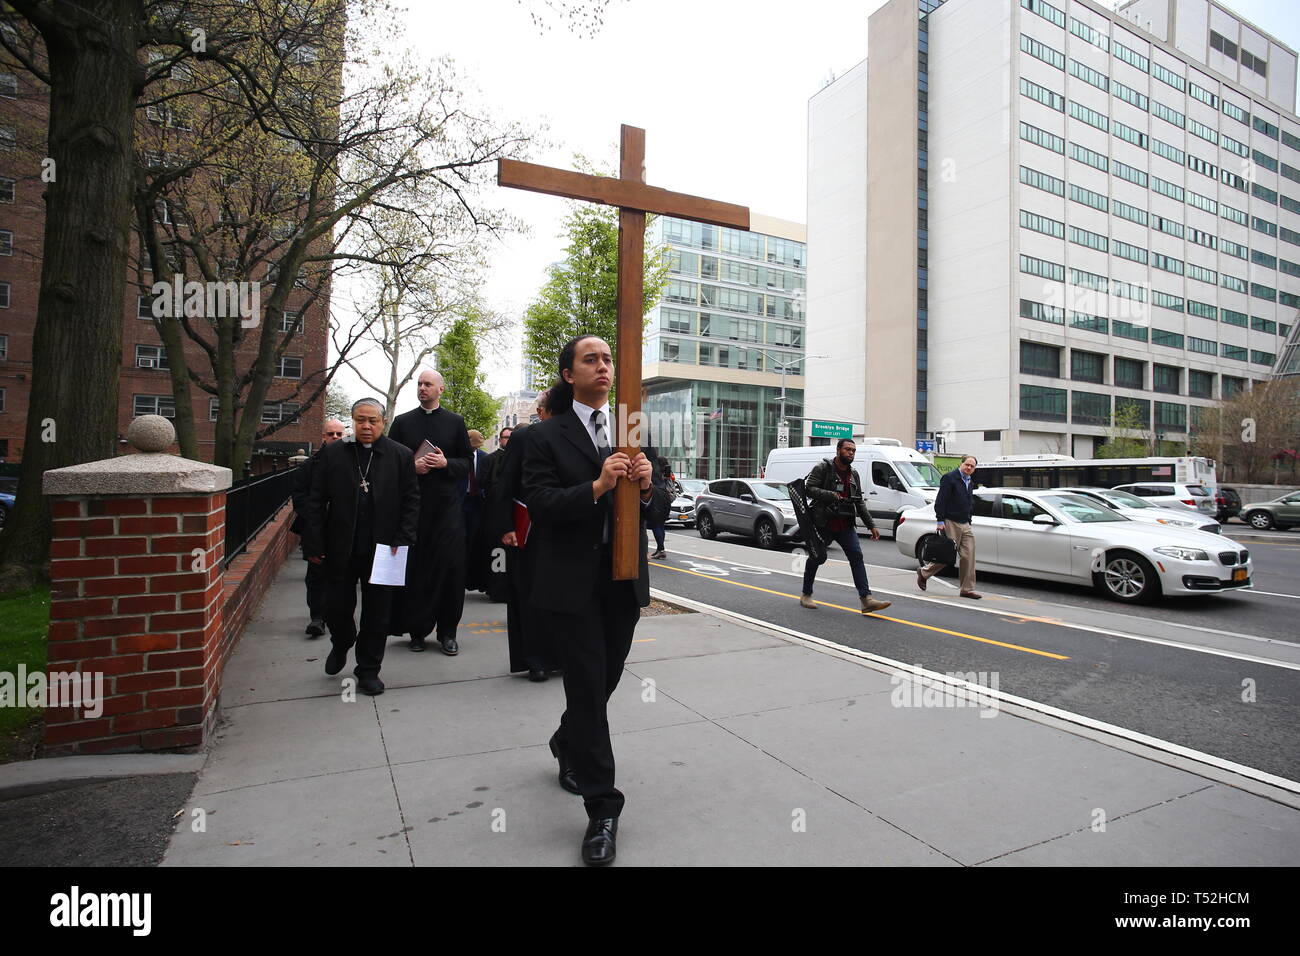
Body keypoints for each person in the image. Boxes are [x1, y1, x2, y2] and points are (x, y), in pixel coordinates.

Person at [522, 335, 669, 866]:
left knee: (602, 681)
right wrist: (596, 487)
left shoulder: (632, 429)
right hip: (571, 583)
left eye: (608, 358)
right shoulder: (545, 435)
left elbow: (660, 512)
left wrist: (650, 490)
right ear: (569, 374)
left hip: (622, 581)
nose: (604, 366)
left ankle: (566, 740)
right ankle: (603, 809)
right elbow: (539, 503)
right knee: (587, 685)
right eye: (591, 359)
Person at [301, 399, 420, 696]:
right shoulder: (333, 454)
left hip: (384, 548)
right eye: (360, 420)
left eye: (373, 421)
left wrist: (403, 538)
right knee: (336, 607)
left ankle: (368, 670)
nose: (366, 426)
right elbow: (314, 500)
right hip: (340, 545)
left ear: (383, 422)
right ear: (353, 421)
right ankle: (342, 641)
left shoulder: (400, 455)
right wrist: (313, 542)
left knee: (377, 613)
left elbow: (411, 501)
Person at [387, 369, 473, 654]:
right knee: (417, 571)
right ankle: (417, 631)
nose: (422, 388)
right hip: (413, 509)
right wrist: (411, 467)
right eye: (420, 384)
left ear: (441, 390)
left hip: (447, 510)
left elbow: (467, 466)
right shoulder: (402, 423)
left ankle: (448, 632)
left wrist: (445, 464)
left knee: (451, 569)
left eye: (428, 384)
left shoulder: (455, 422)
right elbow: (388, 464)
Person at [488, 391, 558, 681]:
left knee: (560, 596)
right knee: (528, 596)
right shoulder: (523, 437)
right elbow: (505, 483)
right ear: (540, 412)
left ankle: (560, 655)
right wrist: (506, 527)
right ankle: (535, 659)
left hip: (563, 528)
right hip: (527, 528)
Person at [799, 439, 892, 615]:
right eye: (848, 449)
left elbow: (859, 502)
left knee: (856, 557)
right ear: (838, 450)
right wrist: (831, 495)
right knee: (816, 557)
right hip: (824, 523)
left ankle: (866, 600)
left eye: (853, 450)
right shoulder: (823, 468)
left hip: (845, 524)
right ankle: (806, 594)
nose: (851, 453)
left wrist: (871, 525)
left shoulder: (854, 474)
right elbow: (808, 488)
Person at [290, 418, 345, 638]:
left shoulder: (354, 462)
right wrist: (316, 519)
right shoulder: (309, 466)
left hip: (344, 528)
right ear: (323, 436)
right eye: (331, 434)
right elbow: (300, 498)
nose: (335, 438)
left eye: (339, 434)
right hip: (316, 528)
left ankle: (338, 615)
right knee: (316, 573)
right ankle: (318, 618)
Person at [918, 454, 981, 599]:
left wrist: (969, 519)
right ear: (961, 464)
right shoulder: (949, 478)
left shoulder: (970, 482)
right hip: (950, 521)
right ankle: (924, 573)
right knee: (947, 555)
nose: (969, 468)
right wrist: (940, 521)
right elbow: (941, 501)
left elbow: (969, 502)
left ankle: (967, 589)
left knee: (968, 556)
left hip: (965, 523)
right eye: (967, 465)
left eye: (972, 466)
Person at [462, 429, 492, 593]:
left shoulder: (484, 458)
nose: (473, 449)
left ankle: (473, 577)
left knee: (474, 538)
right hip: (460, 501)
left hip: (477, 502)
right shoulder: (459, 456)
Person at [648, 455, 673, 559]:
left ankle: (661, 549)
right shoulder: (667, 472)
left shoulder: (655, 473)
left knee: (655, 523)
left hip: (657, 497)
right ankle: (660, 548)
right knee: (661, 524)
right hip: (666, 498)